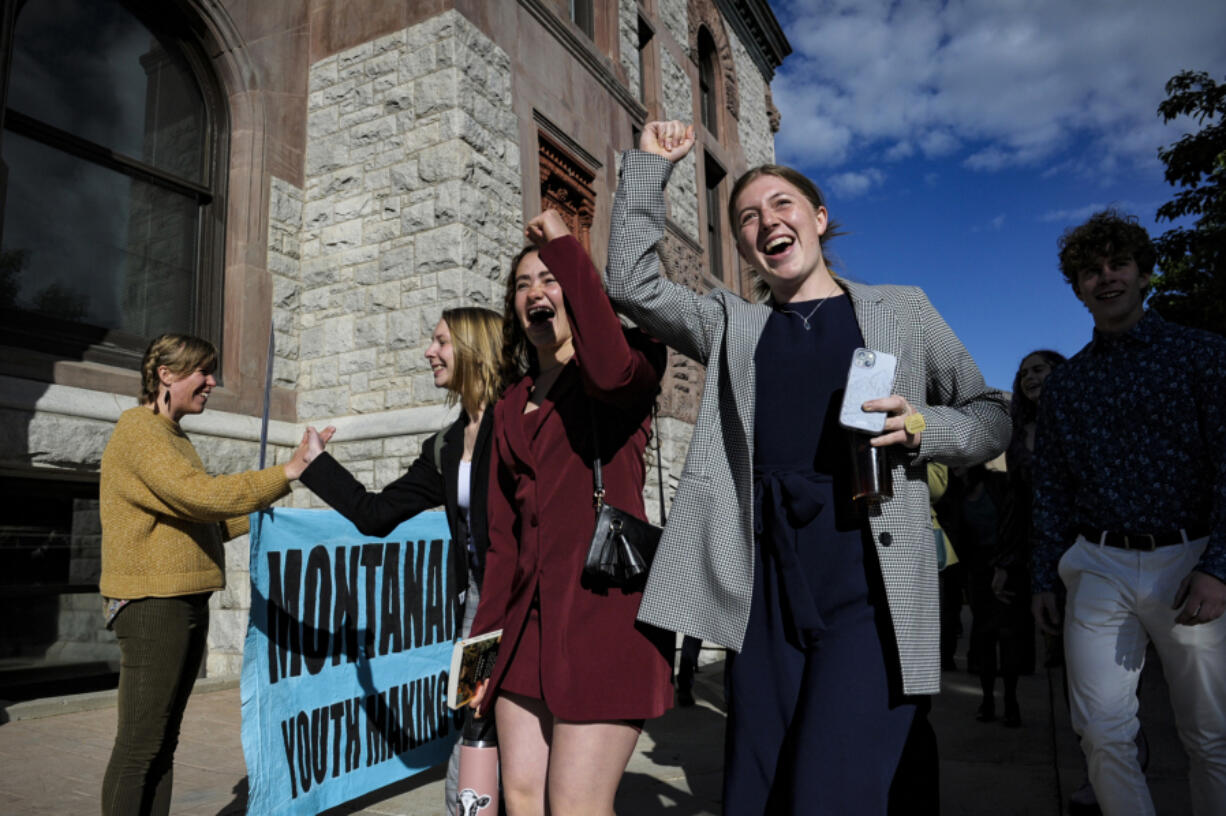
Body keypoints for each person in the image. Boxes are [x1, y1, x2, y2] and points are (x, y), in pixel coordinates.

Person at [606, 121, 1011, 815]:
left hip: (866, 574)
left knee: (831, 790)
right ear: (742, 247)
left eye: (782, 205)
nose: (767, 222)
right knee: (758, 787)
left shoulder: (900, 310)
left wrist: (921, 428)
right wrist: (649, 167)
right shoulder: (735, 324)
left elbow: (993, 412)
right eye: (747, 219)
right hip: (764, 581)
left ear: (818, 219)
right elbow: (631, 282)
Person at [468, 209, 672, 816]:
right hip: (524, 633)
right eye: (523, 283)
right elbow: (501, 546)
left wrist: (564, 246)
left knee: (576, 805)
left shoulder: (628, 367)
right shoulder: (507, 407)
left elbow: (608, 367)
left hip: (604, 619)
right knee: (524, 798)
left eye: (550, 279)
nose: (536, 291)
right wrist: (478, 656)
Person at [1031, 209, 1226, 816]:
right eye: (1091, 271)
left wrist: (1220, 566)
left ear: (1144, 273)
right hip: (1098, 564)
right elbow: (1052, 487)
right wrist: (1043, 573)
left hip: (1189, 560)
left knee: (1211, 736)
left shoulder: (1203, 355)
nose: (1106, 278)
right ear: (1078, 286)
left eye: (1118, 264)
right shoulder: (1068, 384)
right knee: (1101, 731)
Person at [297, 306, 503, 811]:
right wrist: (316, 465)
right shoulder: (447, 444)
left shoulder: (522, 422)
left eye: (440, 342)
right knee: (474, 725)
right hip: (478, 611)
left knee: (521, 733)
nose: (428, 352)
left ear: (474, 349)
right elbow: (376, 514)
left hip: (525, 603)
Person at [99, 333, 315, 816]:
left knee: (161, 742)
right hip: (154, 606)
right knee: (140, 746)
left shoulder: (173, 437)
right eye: (203, 371)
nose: (212, 382)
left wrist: (269, 501)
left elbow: (206, 519)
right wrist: (287, 471)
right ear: (166, 375)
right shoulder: (140, 432)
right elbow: (201, 496)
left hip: (183, 601)